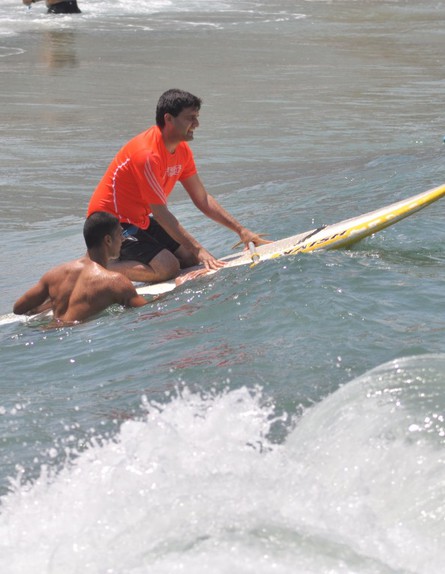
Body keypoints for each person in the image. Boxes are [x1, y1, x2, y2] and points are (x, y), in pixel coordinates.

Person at [87, 89, 269, 283]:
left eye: (197, 117)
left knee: (189, 259)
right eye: (190, 118)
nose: (196, 124)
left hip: (137, 219)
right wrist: (199, 249)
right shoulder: (147, 155)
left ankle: (123, 261)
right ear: (169, 119)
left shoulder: (182, 150)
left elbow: (202, 198)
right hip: (108, 224)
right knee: (168, 267)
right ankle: (97, 266)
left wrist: (241, 231)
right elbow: (160, 213)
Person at [13, 212, 148, 324]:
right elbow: (145, 312)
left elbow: (18, 308)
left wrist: (51, 303)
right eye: (120, 234)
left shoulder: (54, 274)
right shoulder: (115, 282)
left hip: (49, 336)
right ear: (108, 240)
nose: (123, 240)